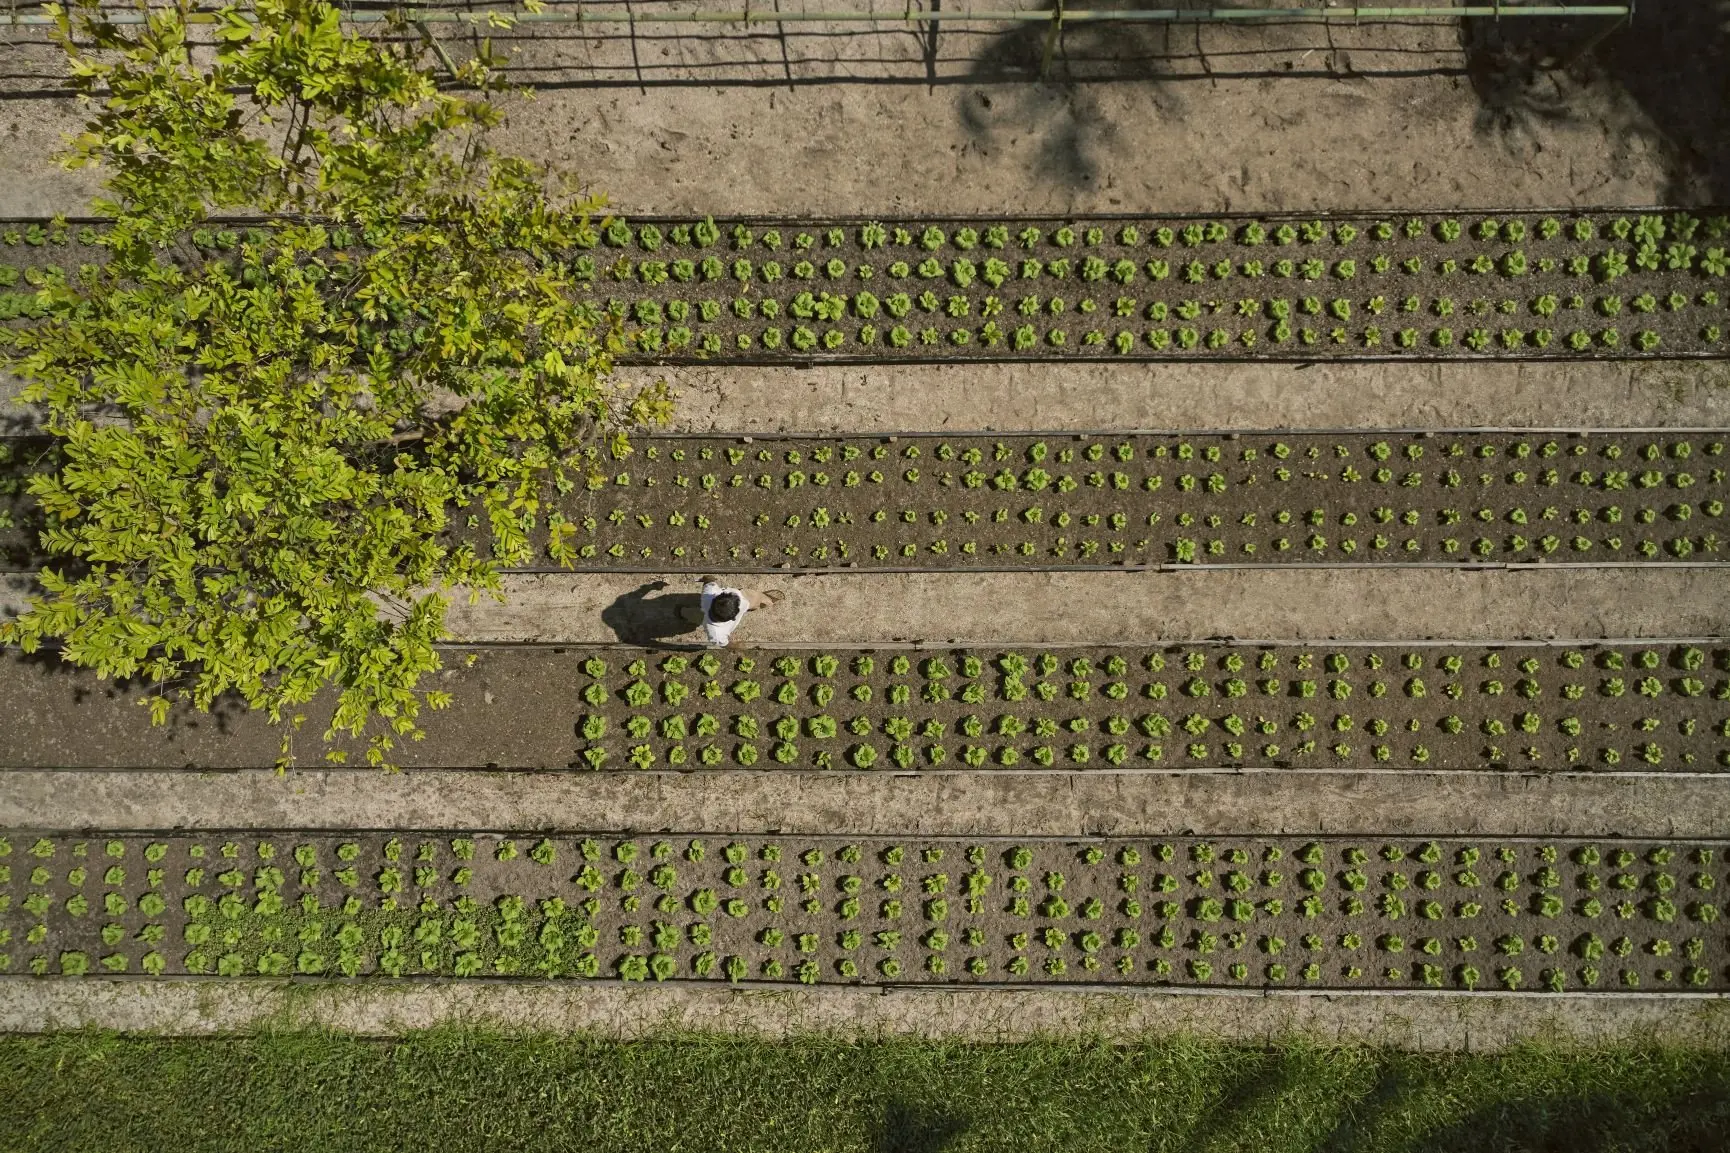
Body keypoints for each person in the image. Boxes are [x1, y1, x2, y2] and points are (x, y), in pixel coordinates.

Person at [680, 577, 783, 647]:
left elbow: (709, 580)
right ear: (734, 617)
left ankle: (682, 612)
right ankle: (681, 612)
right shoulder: (716, 632)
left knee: (752, 597)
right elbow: (724, 644)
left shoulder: (710, 592)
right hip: (703, 617)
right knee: (692, 614)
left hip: (739, 602)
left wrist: (706, 578)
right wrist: (735, 646)